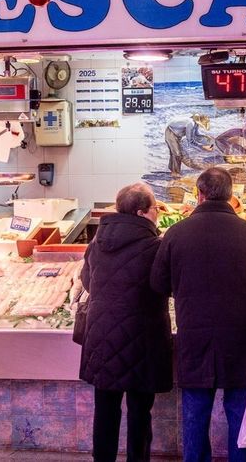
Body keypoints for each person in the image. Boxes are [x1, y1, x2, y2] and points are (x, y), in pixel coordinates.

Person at [150, 167, 246, 462]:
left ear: (199, 194)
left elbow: (157, 283)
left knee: (195, 417)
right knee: (240, 418)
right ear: (231, 196)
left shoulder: (177, 232)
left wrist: (184, 291)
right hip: (239, 340)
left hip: (193, 336)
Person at [79, 182, 172, 462]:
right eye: (156, 208)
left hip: (101, 337)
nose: (157, 213)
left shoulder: (97, 243)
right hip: (142, 339)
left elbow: (87, 282)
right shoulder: (155, 246)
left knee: (105, 409)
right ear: (143, 213)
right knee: (140, 411)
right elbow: (163, 286)